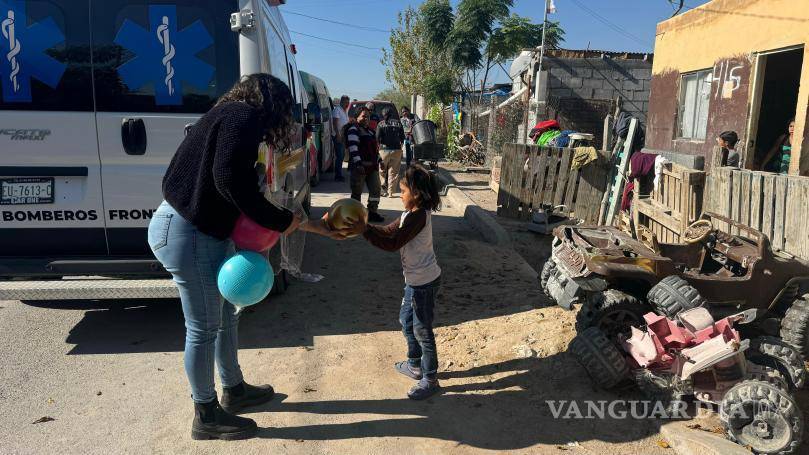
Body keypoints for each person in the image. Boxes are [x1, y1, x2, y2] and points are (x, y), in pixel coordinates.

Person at [149, 74, 347, 441]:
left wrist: (306, 225)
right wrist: (285, 221)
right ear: (272, 104)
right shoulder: (241, 117)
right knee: (203, 327)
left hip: (199, 230)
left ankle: (234, 389)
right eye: (285, 112)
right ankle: (205, 414)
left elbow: (237, 188)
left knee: (226, 316)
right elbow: (230, 181)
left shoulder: (226, 114)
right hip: (188, 232)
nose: (282, 122)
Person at [349, 164, 443, 400]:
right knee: (406, 320)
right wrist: (367, 227)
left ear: (417, 194)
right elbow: (390, 230)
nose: (400, 195)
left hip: (424, 282)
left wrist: (365, 232)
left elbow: (393, 243)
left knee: (422, 329)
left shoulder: (419, 216)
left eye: (403, 191)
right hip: (414, 281)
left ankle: (430, 379)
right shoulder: (409, 215)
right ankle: (414, 364)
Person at [347, 106, 385, 222]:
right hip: (360, 168)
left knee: (376, 190)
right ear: (357, 117)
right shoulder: (353, 130)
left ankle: (372, 212)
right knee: (356, 193)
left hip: (372, 168)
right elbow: (353, 148)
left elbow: (375, 150)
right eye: (363, 116)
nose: (366, 119)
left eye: (368, 117)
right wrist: (358, 164)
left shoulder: (370, 131)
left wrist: (380, 161)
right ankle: (355, 215)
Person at [376, 107, 406, 197]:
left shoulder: (380, 124)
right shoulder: (398, 123)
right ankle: (391, 192)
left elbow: (377, 137)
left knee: (382, 170)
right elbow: (402, 137)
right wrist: (400, 146)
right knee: (393, 172)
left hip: (383, 150)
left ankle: (383, 189)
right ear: (392, 114)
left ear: (383, 114)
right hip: (396, 150)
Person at [331, 95, 350, 181]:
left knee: (342, 156)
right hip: (338, 136)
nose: (347, 104)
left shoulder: (344, 111)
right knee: (340, 155)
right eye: (346, 102)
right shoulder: (337, 110)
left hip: (343, 136)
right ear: (342, 102)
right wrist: (338, 135)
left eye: (348, 102)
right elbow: (335, 123)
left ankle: (339, 174)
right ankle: (338, 175)